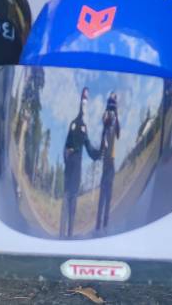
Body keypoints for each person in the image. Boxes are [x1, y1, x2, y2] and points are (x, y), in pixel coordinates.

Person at [61, 88, 99, 237]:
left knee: (73, 207)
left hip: (76, 172)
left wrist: (98, 154)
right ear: (80, 103)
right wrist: (68, 156)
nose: (84, 105)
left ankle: (69, 235)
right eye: (83, 101)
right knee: (65, 204)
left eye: (86, 102)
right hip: (69, 171)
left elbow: (89, 147)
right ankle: (61, 235)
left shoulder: (84, 129)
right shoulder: (73, 124)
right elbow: (66, 145)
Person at [95, 92, 120, 231]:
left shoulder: (115, 119)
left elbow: (118, 133)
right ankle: (98, 225)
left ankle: (105, 223)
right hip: (106, 161)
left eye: (114, 99)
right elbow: (104, 120)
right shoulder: (106, 118)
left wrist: (117, 113)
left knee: (108, 195)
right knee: (102, 195)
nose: (113, 101)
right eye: (112, 98)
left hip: (112, 160)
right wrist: (108, 112)